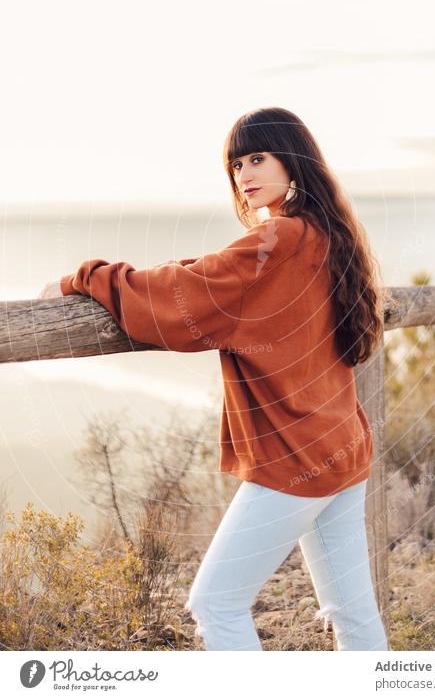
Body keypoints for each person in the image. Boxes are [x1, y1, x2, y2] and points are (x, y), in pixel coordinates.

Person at [39, 106, 389, 651]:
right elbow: (214, 276)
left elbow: (188, 290)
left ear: (292, 161)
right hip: (343, 446)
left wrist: (85, 278)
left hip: (297, 458)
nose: (244, 175)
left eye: (257, 158)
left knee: (216, 603)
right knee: (352, 614)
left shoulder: (279, 238)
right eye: (235, 165)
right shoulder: (326, 234)